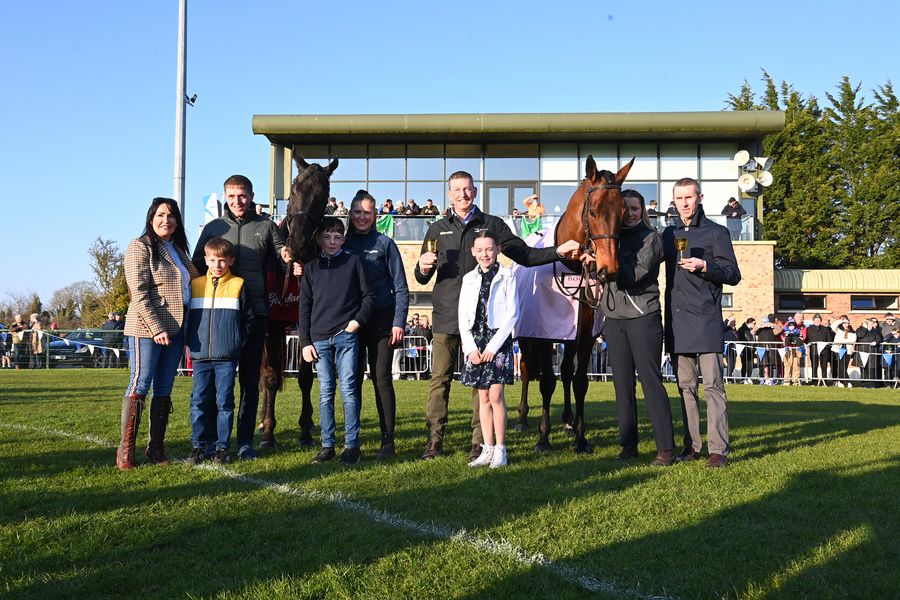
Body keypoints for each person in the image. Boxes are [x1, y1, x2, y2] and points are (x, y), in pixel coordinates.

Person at [415, 170, 580, 461]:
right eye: (457, 190)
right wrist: (423, 268)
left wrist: (559, 252)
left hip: (485, 324)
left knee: (480, 385)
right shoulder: (436, 228)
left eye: (467, 189)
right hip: (446, 318)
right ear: (449, 194)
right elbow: (422, 276)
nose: (462, 195)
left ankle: (480, 443)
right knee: (440, 379)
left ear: (475, 192)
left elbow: (526, 256)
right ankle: (434, 440)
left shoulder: (493, 225)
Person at [193, 175, 288, 460]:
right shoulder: (213, 227)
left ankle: (245, 440)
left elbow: (284, 257)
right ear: (225, 197)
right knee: (212, 385)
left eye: (242, 195)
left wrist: (291, 258)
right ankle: (209, 442)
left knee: (249, 381)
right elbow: (196, 265)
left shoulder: (266, 226)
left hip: (254, 314)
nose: (238, 201)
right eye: (232, 196)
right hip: (218, 315)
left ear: (251, 195)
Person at [663, 177, 741, 468]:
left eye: (689, 197)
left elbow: (733, 273)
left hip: (706, 318)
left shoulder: (716, 232)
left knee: (713, 387)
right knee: (685, 387)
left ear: (700, 198)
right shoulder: (667, 235)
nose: (684, 203)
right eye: (679, 198)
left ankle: (718, 450)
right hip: (678, 321)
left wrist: (706, 266)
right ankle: (693, 446)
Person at [118, 197, 200, 470]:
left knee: (164, 388)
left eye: (172, 215)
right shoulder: (139, 247)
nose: (167, 220)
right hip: (147, 327)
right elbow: (139, 295)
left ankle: (156, 448)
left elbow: (194, 283)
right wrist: (156, 328)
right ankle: (126, 450)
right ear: (151, 218)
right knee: (140, 383)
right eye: (161, 215)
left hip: (177, 328)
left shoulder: (178, 250)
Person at [599, 189, 675, 466]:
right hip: (614, 318)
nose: (630, 213)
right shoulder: (611, 239)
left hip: (643, 316)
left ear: (642, 211)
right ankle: (628, 446)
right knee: (622, 385)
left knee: (650, 382)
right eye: (625, 209)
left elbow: (632, 276)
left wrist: (604, 259)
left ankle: (666, 448)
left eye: (635, 208)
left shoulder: (651, 238)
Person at [299, 217, 375, 465]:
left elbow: (369, 296)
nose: (332, 241)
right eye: (327, 236)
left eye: (337, 237)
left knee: (349, 391)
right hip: (319, 339)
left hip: (346, 336)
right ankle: (327, 445)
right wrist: (305, 342)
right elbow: (304, 307)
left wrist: (356, 322)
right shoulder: (310, 269)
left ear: (343, 238)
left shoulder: (354, 262)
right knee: (325, 392)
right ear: (320, 239)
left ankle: (352, 446)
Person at [343, 190, 410, 460]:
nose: (362, 217)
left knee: (382, 380)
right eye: (357, 212)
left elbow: (401, 287)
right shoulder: (341, 243)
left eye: (367, 212)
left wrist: (399, 322)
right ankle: (353, 439)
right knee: (352, 381)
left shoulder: (385, 244)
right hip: (351, 323)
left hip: (382, 321)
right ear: (350, 214)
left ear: (375, 215)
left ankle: (388, 440)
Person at [184, 238, 254, 465]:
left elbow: (249, 318)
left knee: (225, 401)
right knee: (199, 401)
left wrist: (238, 341)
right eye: (213, 260)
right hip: (201, 355)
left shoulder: (239, 284)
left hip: (227, 356)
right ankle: (199, 445)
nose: (217, 265)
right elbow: (186, 317)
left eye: (222, 260)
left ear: (231, 260)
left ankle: (222, 447)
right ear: (205, 260)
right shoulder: (195, 285)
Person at [459, 231, 518, 469]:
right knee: (482, 396)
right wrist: (470, 347)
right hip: (476, 342)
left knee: (495, 395)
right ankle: (487, 448)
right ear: (473, 251)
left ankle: (501, 450)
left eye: (489, 249)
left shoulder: (507, 276)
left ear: (498, 250)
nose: (485, 254)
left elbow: (513, 314)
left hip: (497, 340)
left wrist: (493, 346)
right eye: (480, 250)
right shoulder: (468, 279)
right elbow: (463, 316)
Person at [854, 317, 883, 387]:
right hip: (862, 351)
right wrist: (864, 328)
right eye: (870, 323)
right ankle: (864, 383)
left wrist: (876, 342)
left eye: (872, 323)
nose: (872, 324)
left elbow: (879, 338)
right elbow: (860, 335)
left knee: (871, 368)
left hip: (872, 351)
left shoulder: (875, 331)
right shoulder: (860, 329)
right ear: (866, 324)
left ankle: (872, 384)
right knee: (863, 368)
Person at [805, 313, 833, 385]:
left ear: (821, 321)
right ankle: (814, 382)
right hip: (814, 350)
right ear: (813, 321)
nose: (817, 321)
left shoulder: (825, 329)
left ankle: (824, 382)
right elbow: (806, 339)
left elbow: (829, 339)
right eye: (816, 320)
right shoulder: (809, 329)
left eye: (819, 320)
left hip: (824, 351)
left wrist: (826, 346)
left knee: (824, 367)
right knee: (814, 366)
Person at [830, 316, 856, 387]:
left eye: (846, 323)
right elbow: (833, 326)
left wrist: (842, 341)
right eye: (843, 323)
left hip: (847, 350)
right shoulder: (838, 330)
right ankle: (847, 381)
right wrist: (840, 320)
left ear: (849, 324)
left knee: (844, 366)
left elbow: (852, 340)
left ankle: (841, 381)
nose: (845, 325)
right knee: (841, 365)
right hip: (838, 350)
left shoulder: (852, 332)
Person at [754, 315, 780, 384]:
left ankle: (770, 379)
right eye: (764, 323)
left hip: (771, 348)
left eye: (766, 323)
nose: (765, 324)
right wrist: (758, 326)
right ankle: (762, 378)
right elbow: (752, 332)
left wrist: (773, 325)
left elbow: (780, 330)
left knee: (771, 363)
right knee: (762, 364)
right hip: (761, 349)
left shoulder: (772, 329)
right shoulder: (759, 330)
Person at [781, 317, 805, 385]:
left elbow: (802, 337)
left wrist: (798, 340)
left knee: (796, 365)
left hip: (797, 349)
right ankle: (787, 381)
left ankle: (795, 381)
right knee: (788, 365)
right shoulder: (785, 329)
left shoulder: (800, 329)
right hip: (789, 350)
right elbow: (783, 336)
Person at [737, 317, 756, 383]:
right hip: (744, 350)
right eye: (754, 323)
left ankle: (749, 377)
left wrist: (754, 348)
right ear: (749, 323)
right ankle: (742, 378)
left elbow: (753, 340)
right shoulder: (742, 329)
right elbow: (739, 340)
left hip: (751, 350)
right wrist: (741, 351)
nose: (755, 324)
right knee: (744, 364)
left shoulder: (752, 330)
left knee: (751, 364)